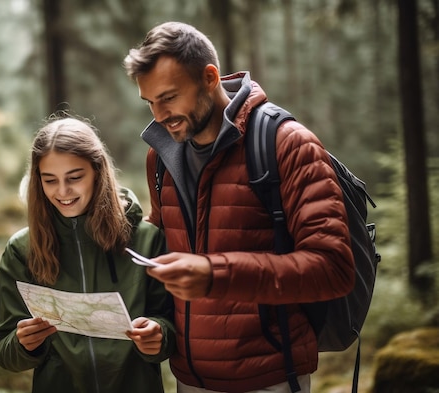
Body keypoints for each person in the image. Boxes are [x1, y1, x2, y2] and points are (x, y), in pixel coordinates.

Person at [123, 21, 354, 393]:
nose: (159, 114)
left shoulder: (287, 144)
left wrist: (216, 274)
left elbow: (334, 268)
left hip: (272, 377)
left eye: (168, 97)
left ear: (210, 77)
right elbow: (167, 248)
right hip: (189, 378)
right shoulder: (160, 156)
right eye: (149, 102)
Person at [0, 116, 176, 393]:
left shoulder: (146, 240)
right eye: (49, 180)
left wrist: (159, 335)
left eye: (75, 178)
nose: (62, 192)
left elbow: (173, 326)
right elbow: (4, 351)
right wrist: (23, 344)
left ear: (98, 171)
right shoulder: (21, 250)